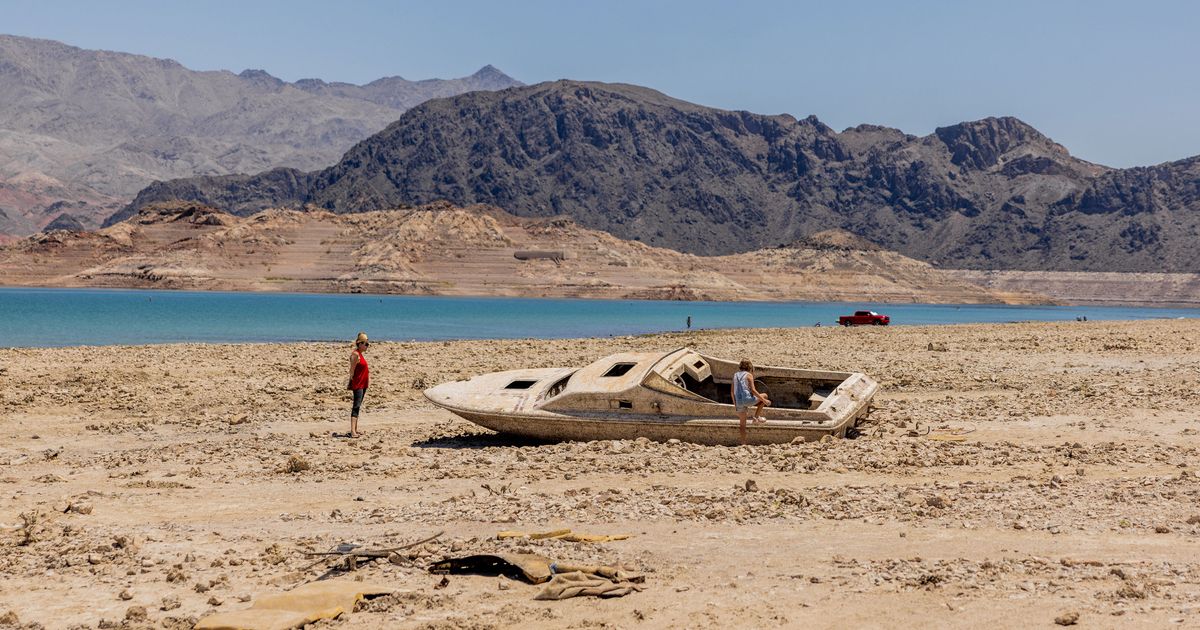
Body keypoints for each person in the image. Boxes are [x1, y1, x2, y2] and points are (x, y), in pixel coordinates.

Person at [731, 359, 771, 444]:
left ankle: (743, 443)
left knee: (742, 424)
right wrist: (764, 400)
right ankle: (756, 417)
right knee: (765, 395)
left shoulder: (735, 375)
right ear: (750, 366)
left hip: (738, 401)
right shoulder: (749, 375)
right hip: (747, 399)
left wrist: (736, 405)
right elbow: (753, 390)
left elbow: (732, 392)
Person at [346, 332, 370, 438]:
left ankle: (355, 429)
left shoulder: (360, 355)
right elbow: (352, 371)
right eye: (365, 344)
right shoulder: (355, 355)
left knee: (358, 405)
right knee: (356, 406)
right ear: (359, 344)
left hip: (363, 384)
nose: (366, 346)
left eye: (367, 344)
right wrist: (351, 382)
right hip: (358, 384)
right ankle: (352, 431)